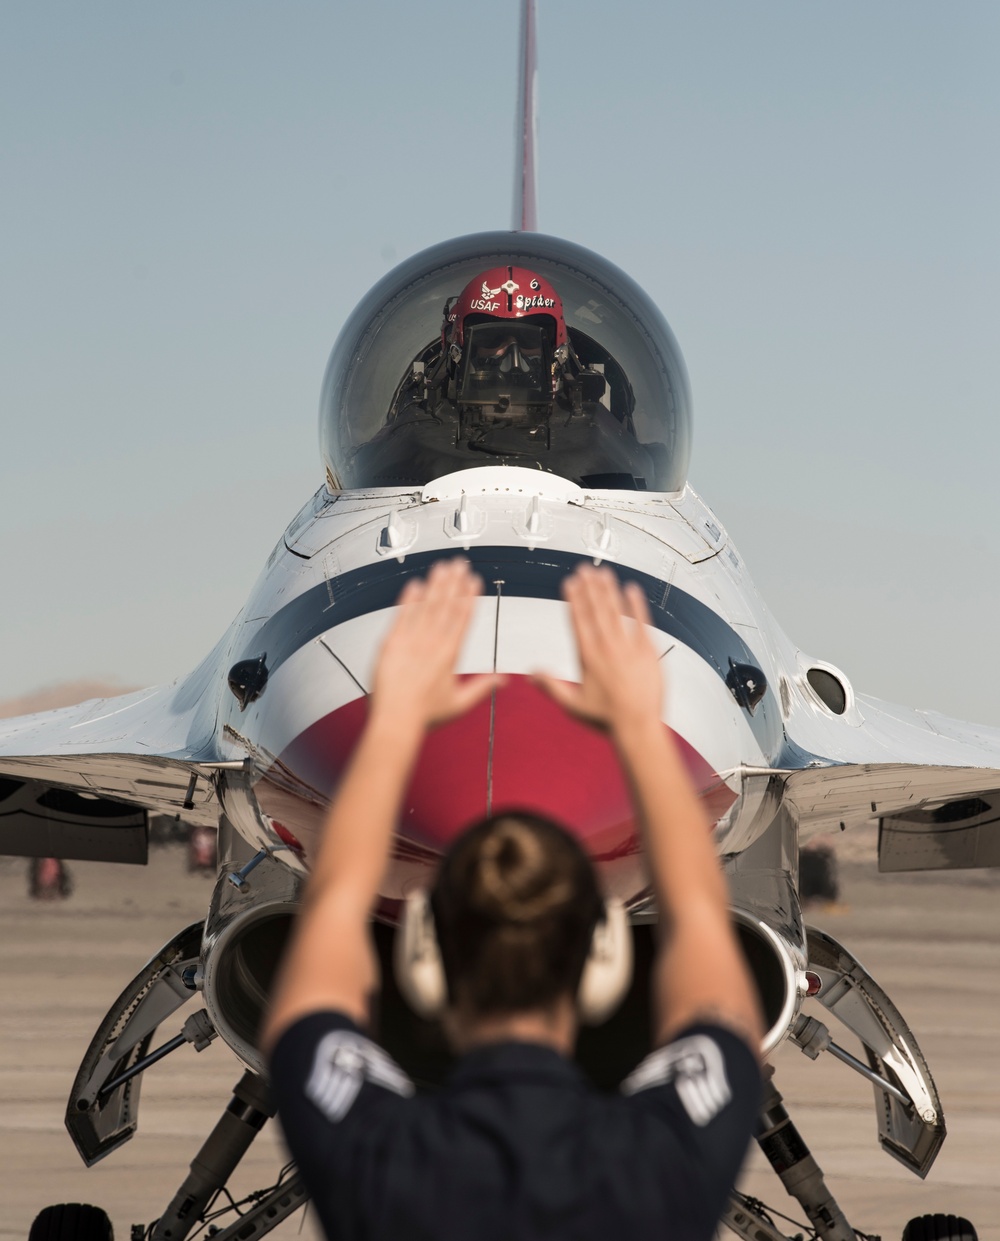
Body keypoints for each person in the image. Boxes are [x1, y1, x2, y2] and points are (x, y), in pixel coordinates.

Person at [262, 558, 763, 1241]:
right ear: (604, 958)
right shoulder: (663, 1161)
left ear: (423, 958)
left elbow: (331, 910)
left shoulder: (375, 1156)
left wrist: (395, 721)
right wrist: (642, 730)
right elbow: (703, 932)